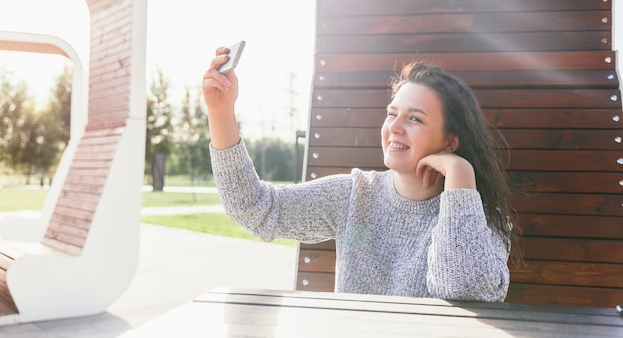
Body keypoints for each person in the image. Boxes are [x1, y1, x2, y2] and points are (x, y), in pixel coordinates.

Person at [202, 46, 521, 302]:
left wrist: (460, 174)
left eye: (415, 119)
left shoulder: (480, 219)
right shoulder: (355, 194)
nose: (394, 127)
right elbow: (255, 208)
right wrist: (220, 113)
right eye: (392, 114)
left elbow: (462, 288)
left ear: (450, 141)